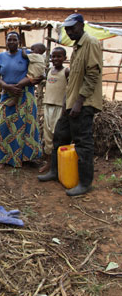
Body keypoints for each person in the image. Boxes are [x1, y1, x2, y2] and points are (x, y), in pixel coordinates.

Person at [38, 14, 103, 196]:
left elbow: (92, 75)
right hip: (71, 102)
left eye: (72, 28)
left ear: (81, 26)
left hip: (84, 103)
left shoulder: (90, 43)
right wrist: (68, 100)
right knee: (60, 136)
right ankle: (55, 171)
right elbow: (74, 79)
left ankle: (85, 183)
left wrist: (79, 102)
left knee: (83, 142)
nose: (69, 31)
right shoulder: (77, 46)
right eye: (66, 29)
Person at [0, 31, 43, 168]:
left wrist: (23, 84)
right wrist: (5, 86)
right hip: (7, 93)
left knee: (27, 125)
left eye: (15, 40)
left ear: (19, 42)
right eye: (10, 40)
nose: (12, 42)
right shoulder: (1, 57)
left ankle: (27, 158)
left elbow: (37, 72)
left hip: (25, 93)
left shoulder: (26, 55)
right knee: (5, 124)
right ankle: (3, 158)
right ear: (6, 42)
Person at [39, 47, 69, 173]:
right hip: (48, 106)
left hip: (59, 107)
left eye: (59, 56)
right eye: (53, 56)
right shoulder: (50, 71)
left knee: (58, 135)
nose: (56, 59)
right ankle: (49, 163)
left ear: (65, 58)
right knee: (48, 135)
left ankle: (59, 165)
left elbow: (69, 90)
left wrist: (65, 106)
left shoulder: (66, 71)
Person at [7, 43, 47, 107]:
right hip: (37, 76)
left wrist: (24, 49)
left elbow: (24, 55)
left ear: (39, 51)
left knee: (19, 84)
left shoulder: (36, 55)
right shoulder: (42, 57)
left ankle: (15, 100)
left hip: (32, 76)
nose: (31, 51)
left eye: (33, 49)